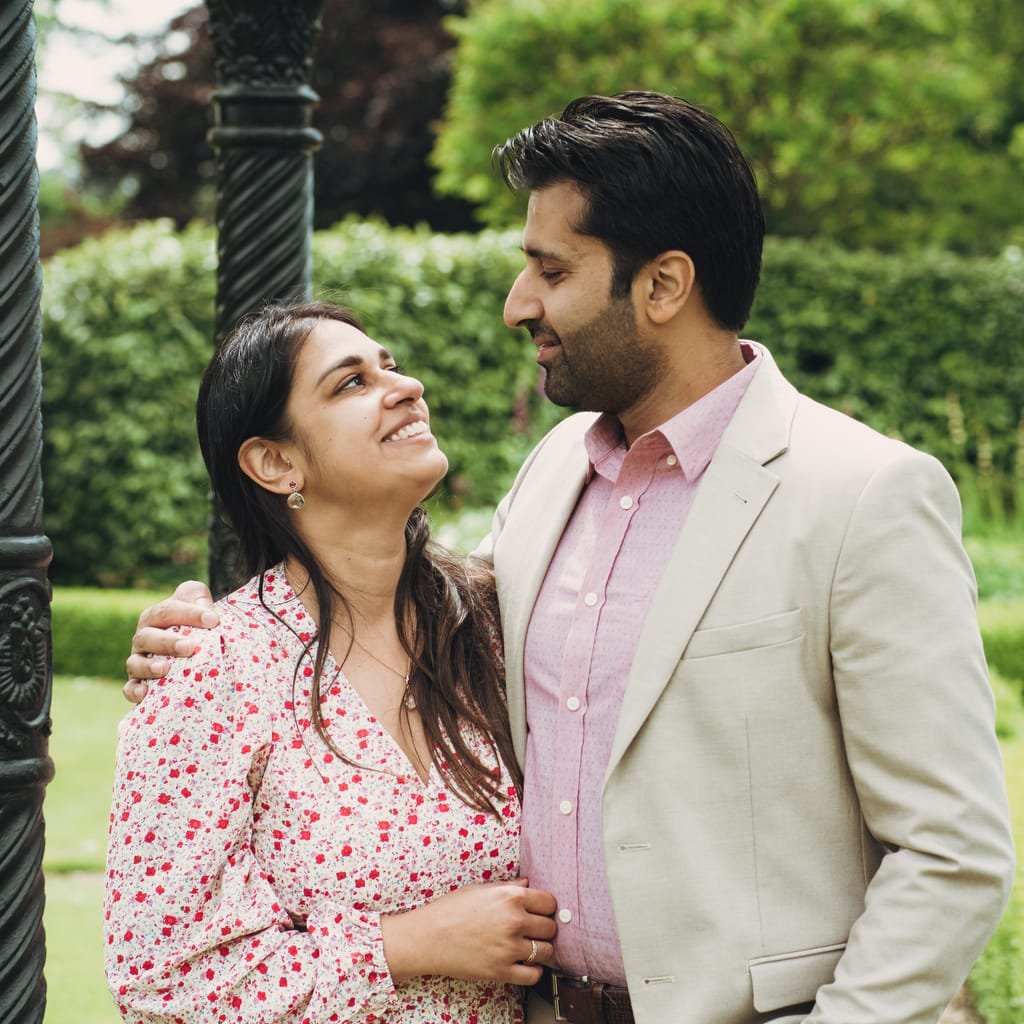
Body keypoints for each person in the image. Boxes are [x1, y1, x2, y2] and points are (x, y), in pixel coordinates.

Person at [125, 94, 1015, 1024]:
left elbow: (951, 853)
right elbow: (390, 604)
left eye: (551, 270)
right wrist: (199, 640)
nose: (519, 306)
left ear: (663, 286)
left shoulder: (864, 492)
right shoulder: (556, 470)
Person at [105, 301, 558, 1023]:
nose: (404, 387)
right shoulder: (214, 670)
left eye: (392, 366)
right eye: (351, 383)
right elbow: (163, 981)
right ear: (275, 462)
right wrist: (401, 945)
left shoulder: (496, 630)